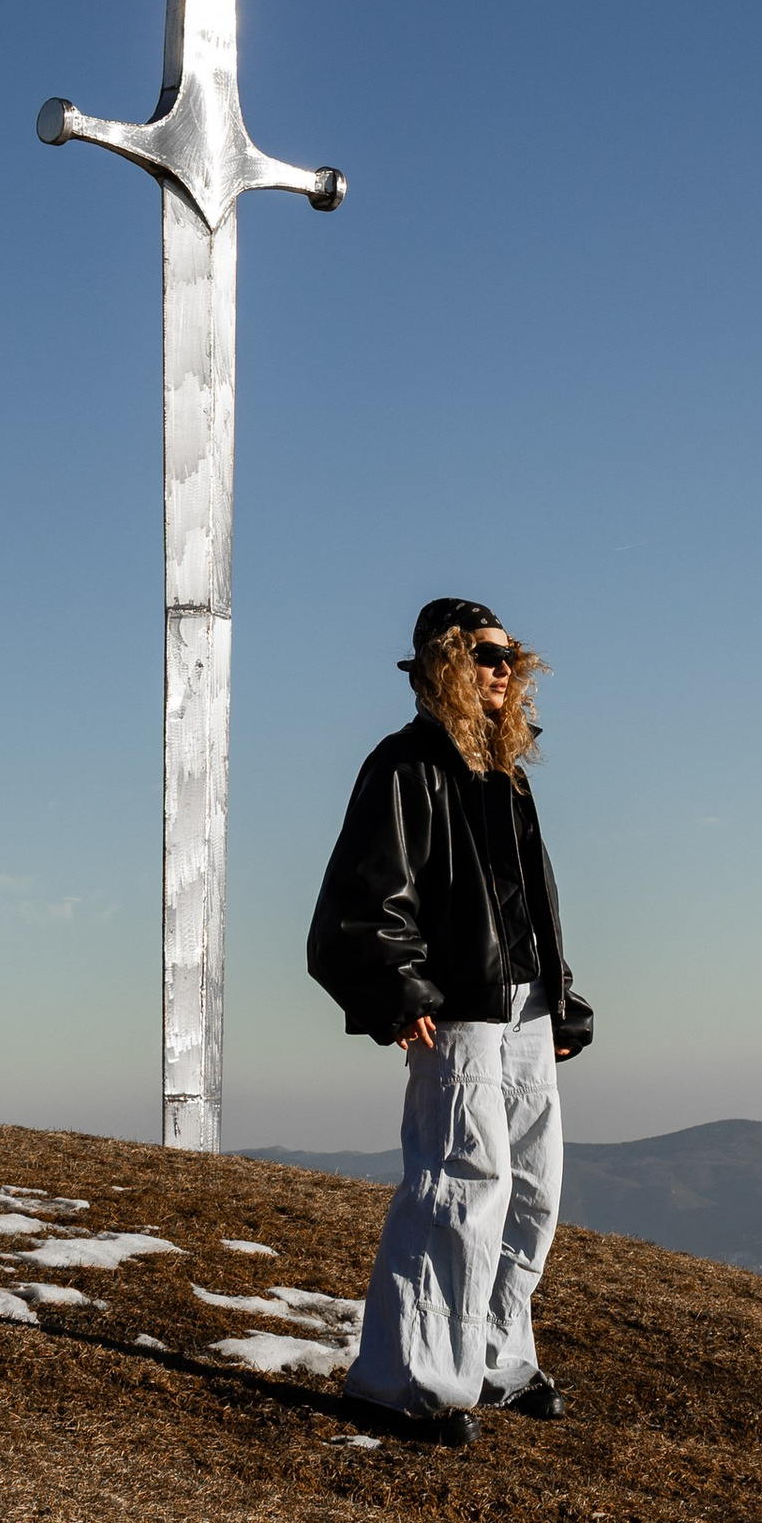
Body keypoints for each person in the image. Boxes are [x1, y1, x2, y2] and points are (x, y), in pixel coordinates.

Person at [306, 597, 592, 1450]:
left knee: (530, 1191)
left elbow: (528, 903)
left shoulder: (506, 774)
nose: (502, 670)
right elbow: (360, 899)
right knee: (457, 1187)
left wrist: (560, 996)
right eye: (484, 655)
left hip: (524, 1007)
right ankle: (404, 1385)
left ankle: (497, 1360)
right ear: (445, 664)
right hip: (459, 1014)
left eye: (510, 656)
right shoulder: (404, 764)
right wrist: (400, 992)